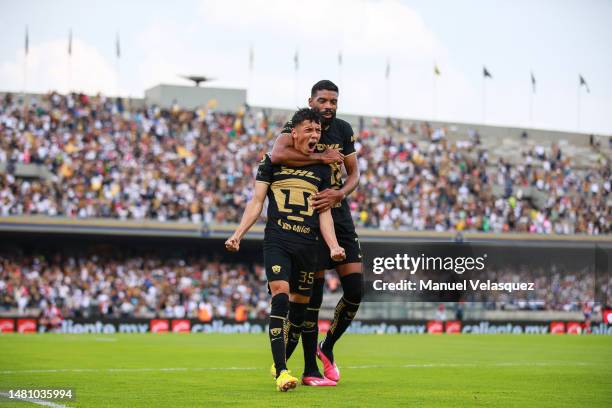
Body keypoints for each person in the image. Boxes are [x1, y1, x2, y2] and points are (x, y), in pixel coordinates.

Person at [225, 108, 345, 392]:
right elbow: (256, 202)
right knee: (280, 295)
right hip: (278, 241)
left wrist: (334, 245)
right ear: (294, 133)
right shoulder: (271, 162)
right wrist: (238, 234)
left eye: (317, 131)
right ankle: (281, 371)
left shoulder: (322, 168)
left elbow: (324, 212)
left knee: (299, 314)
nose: (315, 135)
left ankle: (281, 361)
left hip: (308, 245)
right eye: (309, 130)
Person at [270, 80, 362, 384]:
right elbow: (278, 155)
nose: (328, 106)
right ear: (311, 101)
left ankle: (328, 347)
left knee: (356, 291)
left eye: (333, 101)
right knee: (312, 299)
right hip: (310, 215)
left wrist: (340, 194)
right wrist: (320, 158)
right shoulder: (297, 125)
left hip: (339, 213)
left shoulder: (344, 130)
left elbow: (354, 173)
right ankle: (308, 369)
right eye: (323, 101)